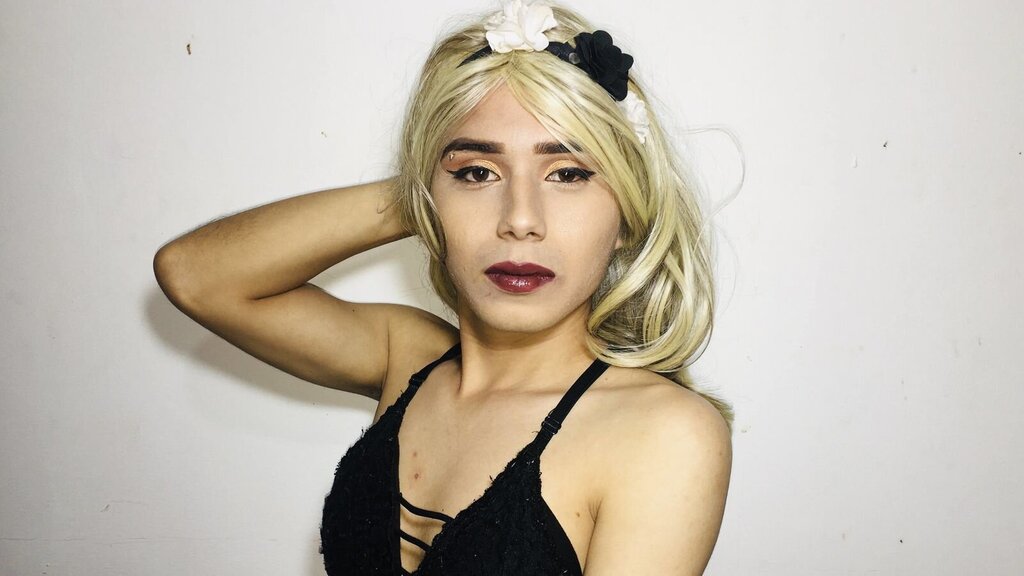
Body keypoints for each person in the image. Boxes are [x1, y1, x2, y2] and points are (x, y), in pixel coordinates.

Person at [153, 0, 733, 573]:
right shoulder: (406, 356)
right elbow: (195, 275)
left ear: (627, 212)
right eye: (477, 173)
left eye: (568, 173)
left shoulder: (662, 432)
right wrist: (422, 187)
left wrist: (460, 176)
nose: (520, 219)